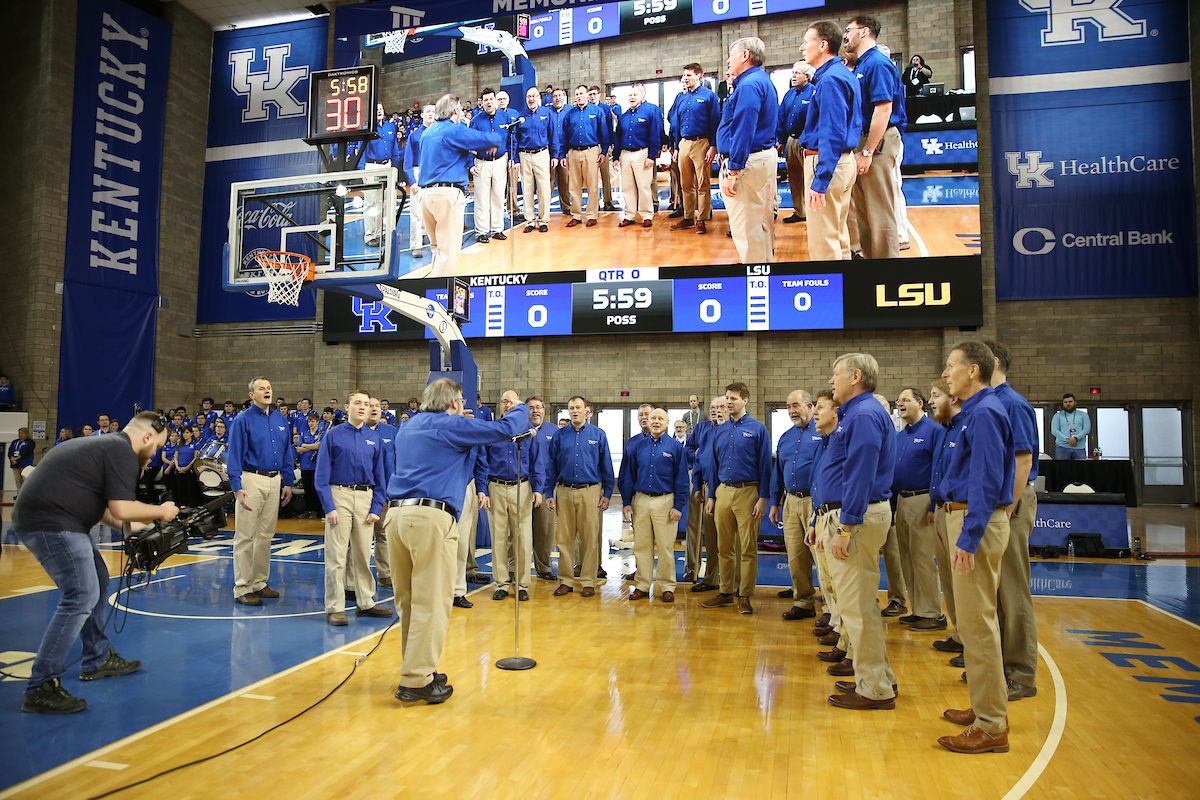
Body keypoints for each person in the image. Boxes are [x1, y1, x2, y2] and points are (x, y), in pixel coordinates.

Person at [13, 412, 177, 714]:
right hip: (52, 522)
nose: (154, 453)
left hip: (56, 519)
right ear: (145, 438)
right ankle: (40, 687)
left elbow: (106, 510)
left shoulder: (108, 447)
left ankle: (97, 658)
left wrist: (141, 529)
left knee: (99, 580)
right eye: (156, 446)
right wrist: (161, 511)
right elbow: (122, 507)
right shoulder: (121, 452)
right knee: (81, 595)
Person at [385, 379, 529, 705]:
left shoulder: (407, 427)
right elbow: (506, 429)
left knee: (408, 602)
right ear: (453, 404)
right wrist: (517, 405)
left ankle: (416, 668)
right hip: (430, 519)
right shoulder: (452, 426)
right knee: (433, 601)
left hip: (396, 518)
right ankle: (416, 680)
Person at [937, 341, 1016, 754]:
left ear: (973, 370)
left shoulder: (984, 412)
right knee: (973, 622)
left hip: (975, 522)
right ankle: (987, 706)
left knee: (977, 625)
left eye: (951, 367)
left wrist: (968, 537)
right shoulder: (974, 411)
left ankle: (991, 725)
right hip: (967, 518)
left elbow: (985, 479)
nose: (945, 373)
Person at [817, 353, 897, 711]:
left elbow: (861, 474)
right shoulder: (857, 414)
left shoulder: (863, 415)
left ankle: (875, 689)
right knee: (860, 606)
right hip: (854, 517)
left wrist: (846, 526)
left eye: (836, 375)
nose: (831, 381)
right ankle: (877, 678)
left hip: (856, 520)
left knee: (858, 609)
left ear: (857, 376)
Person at [983, 340, 1040, 703]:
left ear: (994, 362)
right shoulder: (988, 403)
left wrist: (1008, 508)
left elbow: (1022, 461)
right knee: (996, 590)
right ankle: (1000, 667)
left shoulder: (1013, 404)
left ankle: (1021, 673)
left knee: (1014, 590)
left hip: (1011, 504)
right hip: (994, 505)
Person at [315, 391, 390, 627]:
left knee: (361, 555)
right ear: (347, 407)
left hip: (366, 498)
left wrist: (377, 506)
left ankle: (366, 602)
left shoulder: (374, 438)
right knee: (336, 556)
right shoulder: (333, 435)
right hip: (340, 495)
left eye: (366, 404)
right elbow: (321, 476)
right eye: (357, 403)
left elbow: (381, 476)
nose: (362, 407)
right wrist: (329, 506)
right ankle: (335, 607)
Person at [417, 94, 506, 278]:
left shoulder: (427, 132)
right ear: (456, 111)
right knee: (449, 252)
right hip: (447, 193)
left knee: (437, 248)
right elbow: (490, 139)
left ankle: (431, 287)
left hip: (425, 195)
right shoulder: (453, 130)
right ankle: (439, 295)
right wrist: (489, 142)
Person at [702, 382, 771, 615]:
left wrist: (763, 498)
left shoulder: (758, 429)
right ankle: (725, 591)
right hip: (723, 491)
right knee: (724, 547)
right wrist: (711, 495)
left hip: (748, 492)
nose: (728, 403)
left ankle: (744, 595)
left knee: (748, 548)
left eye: (733, 398)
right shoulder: (718, 431)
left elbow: (765, 467)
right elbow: (713, 466)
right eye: (726, 399)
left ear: (745, 401)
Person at [226, 376, 294, 606]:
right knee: (245, 536)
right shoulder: (242, 420)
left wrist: (288, 481)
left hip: (275, 480)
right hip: (251, 479)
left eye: (269, 387)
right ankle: (242, 587)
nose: (267, 391)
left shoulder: (280, 419)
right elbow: (234, 454)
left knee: (266, 535)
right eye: (261, 388)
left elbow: (287, 451)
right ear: (251, 395)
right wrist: (237, 486)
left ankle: (259, 582)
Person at [801, 21, 862, 261]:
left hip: (827, 163)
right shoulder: (841, 74)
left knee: (824, 243)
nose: (803, 47)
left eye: (807, 42)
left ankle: (831, 295)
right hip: (842, 162)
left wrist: (821, 179)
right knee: (838, 237)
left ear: (823, 45)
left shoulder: (830, 80)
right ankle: (847, 293)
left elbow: (832, 132)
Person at [844, 16, 904, 260]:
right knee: (865, 213)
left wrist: (868, 150)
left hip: (876, 140)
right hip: (863, 140)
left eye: (849, 30)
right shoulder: (861, 64)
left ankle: (887, 271)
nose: (845, 35)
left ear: (864, 32)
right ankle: (871, 265)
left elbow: (883, 108)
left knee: (880, 212)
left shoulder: (877, 63)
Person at [545, 395, 614, 598]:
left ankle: (588, 581)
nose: (574, 410)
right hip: (564, 491)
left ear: (587, 411)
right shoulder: (559, 436)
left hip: (590, 491)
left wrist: (608, 492)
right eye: (571, 408)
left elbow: (607, 466)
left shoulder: (598, 435)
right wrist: (550, 493)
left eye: (578, 407)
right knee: (565, 539)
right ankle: (565, 581)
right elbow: (551, 466)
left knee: (590, 538)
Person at [716, 38, 778, 264]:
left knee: (746, 230)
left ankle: (755, 280)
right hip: (760, 157)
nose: (729, 61)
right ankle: (764, 271)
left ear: (745, 56)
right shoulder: (761, 80)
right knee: (757, 224)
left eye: (731, 55)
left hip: (748, 162)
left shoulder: (749, 85)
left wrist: (733, 171)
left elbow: (744, 129)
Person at [620, 408, 688, 602]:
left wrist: (679, 506)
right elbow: (629, 476)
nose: (656, 422)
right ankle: (642, 584)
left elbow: (682, 478)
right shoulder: (637, 446)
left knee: (666, 546)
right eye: (653, 418)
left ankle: (667, 586)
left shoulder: (675, 447)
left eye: (660, 419)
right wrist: (626, 502)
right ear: (647, 422)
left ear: (667, 423)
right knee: (641, 546)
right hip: (640, 500)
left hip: (665, 501)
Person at [890, 387, 944, 629]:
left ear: (921, 403)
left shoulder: (935, 431)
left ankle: (932, 613)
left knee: (923, 559)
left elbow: (941, 470)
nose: (900, 404)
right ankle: (918, 608)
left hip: (923, 501)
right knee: (907, 559)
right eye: (898, 401)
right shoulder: (899, 436)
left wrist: (934, 503)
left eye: (906, 400)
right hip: (901, 501)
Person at [484, 391, 545, 601]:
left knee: (523, 537)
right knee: (498, 537)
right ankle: (501, 583)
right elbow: (483, 462)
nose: (508, 405)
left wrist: (538, 489)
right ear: (500, 405)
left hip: (522, 487)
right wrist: (483, 490)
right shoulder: (493, 431)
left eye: (512, 402)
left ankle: (522, 585)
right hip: (496, 486)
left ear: (518, 405)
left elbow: (537, 462)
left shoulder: (528, 431)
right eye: (504, 402)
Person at [769, 390, 822, 621]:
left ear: (810, 406)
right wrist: (774, 502)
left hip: (815, 501)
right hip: (790, 501)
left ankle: (831, 610)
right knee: (796, 556)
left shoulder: (823, 434)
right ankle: (803, 602)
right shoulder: (785, 437)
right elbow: (777, 473)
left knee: (821, 557)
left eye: (796, 406)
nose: (792, 411)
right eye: (788, 407)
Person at [927, 378, 965, 656]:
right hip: (942, 509)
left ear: (952, 398)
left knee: (966, 583)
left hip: (962, 511)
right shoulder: (943, 431)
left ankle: (973, 643)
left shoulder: (968, 427)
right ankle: (960, 633)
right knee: (949, 581)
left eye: (935, 395)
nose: (931, 401)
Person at [671, 64, 720, 234]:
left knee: (703, 183)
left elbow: (715, 122)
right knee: (685, 184)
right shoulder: (681, 98)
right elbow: (676, 123)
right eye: (684, 75)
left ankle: (702, 218)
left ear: (699, 75)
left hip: (702, 143)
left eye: (689, 75)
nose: (685, 78)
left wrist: (713, 145)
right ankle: (688, 217)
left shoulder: (709, 96)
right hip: (684, 143)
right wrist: (676, 146)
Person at [687, 396, 727, 591]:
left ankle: (733, 583)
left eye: (719, 407)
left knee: (728, 540)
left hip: (728, 489)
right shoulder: (703, 429)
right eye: (712, 407)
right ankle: (711, 578)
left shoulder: (732, 431)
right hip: (706, 488)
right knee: (709, 537)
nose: (715, 410)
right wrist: (697, 485)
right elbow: (696, 459)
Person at [613, 85, 666, 229]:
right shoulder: (624, 117)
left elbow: (655, 135)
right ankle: (629, 215)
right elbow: (617, 137)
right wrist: (616, 157)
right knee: (627, 187)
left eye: (635, 95)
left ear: (642, 97)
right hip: (625, 154)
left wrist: (651, 156)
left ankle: (647, 215)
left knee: (644, 186)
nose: (632, 97)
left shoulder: (649, 112)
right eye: (630, 95)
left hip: (642, 154)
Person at [559, 85, 611, 228]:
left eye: (581, 93)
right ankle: (576, 215)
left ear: (587, 95)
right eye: (577, 94)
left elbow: (604, 133)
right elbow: (563, 135)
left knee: (592, 184)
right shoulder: (570, 114)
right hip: (573, 152)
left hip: (591, 150)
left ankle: (592, 215)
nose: (579, 96)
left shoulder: (597, 112)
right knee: (574, 186)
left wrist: (604, 152)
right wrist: (563, 155)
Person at [469, 88, 512, 244]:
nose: (488, 102)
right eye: (485, 100)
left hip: (500, 161)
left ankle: (497, 229)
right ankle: (481, 231)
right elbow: (469, 142)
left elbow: (511, 140)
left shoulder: (504, 117)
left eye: (491, 99)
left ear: (495, 100)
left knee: (499, 197)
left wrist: (512, 158)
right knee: (482, 198)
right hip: (481, 163)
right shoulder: (476, 121)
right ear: (482, 102)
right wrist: (469, 164)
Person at [514, 87, 559, 234]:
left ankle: (544, 220)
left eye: (533, 96)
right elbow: (516, 139)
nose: (531, 99)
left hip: (542, 154)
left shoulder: (546, 113)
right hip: (525, 155)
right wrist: (516, 159)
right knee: (527, 189)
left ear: (539, 97)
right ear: (526, 99)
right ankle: (530, 221)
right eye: (528, 97)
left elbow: (553, 135)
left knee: (543, 188)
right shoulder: (521, 116)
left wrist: (555, 155)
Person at [778, 62, 816, 224]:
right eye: (793, 73)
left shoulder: (814, 93)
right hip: (791, 140)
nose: (793, 76)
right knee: (794, 177)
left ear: (807, 76)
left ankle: (813, 213)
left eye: (797, 73)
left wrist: (807, 140)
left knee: (809, 178)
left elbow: (814, 120)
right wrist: (781, 140)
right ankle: (800, 211)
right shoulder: (789, 94)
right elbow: (782, 117)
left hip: (805, 141)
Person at [367, 397, 397, 588]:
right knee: (358, 538)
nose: (375, 409)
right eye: (371, 406)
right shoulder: (357, 432)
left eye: (377, 406)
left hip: (385, 494)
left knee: (383, 535)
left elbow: (397, 463)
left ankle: (385, 574)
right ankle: (355, 578)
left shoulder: (391, 432)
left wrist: (390, 493)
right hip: (362, 491)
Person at [527, 396, 558, 580]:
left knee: (545, 531)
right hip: (522, 487)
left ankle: (544, 568)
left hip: (546, 489)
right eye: (531, 408)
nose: (535, 411)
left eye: (538, 407)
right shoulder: (519, 430)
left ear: (544, 410)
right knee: (518, 531)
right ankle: (515, 569)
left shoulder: (554, 431)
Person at [361, 103, 399, 248]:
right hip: (372, 166)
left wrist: (395, 167)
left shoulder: (390, 127)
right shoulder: (367, 129)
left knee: (387, 202)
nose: (379, 111)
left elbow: (394, 147)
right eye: (376, 109)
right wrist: (362, 170)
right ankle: (371, 234)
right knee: (371, 202)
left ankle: (384, 231)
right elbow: (361, 149)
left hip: (388, 165)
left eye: (381, 109)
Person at [588, 86, 619, 211]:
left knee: (605, 175)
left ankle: (607, 200)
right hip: (591, 146)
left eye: (594, 94)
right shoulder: (587, 109)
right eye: (590, 94)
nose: (592, 96)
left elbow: (610, 128)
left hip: (603, 145)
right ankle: (594, 202)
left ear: (599, 94)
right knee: (592, 177)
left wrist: (610, 145)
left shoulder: (606, 109)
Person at [549, 88, 572, 217]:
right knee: (549, 182)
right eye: (555, 96)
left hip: (565, 152)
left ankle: (566, 207)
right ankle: (545, 208)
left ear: (564, 97)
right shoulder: (547, 112)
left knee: (565, 181)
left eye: (559, 95)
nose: (557, 98)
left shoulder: (570, 111)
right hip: (551, 153)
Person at [297, 413, 322, 518]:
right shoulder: (304, 434)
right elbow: (298, 448)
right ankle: (308, 510)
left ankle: (317, 511)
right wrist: (312, 447)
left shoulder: (321, 434)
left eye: (312, 421)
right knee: (307, 490)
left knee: (315, 489)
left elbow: (318, 446)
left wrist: (305, 446)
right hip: (305, 466)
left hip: (316, 466)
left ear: (317, 422)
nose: (310, 423)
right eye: (309, 421)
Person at [1051, 394, 1090, 459]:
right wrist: (1068, 440)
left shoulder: (1083, 415)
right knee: (1062, 469)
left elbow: (1086, 429)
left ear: (1075, 402)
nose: (1068, 404)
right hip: (1062, 447)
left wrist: (1075, 439)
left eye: (1070, 402)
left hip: (1079, 447)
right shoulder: (1057, 416)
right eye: (1065, 402)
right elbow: (1054, 431)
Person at [8, 427, 35, 493]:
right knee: (17, 479)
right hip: (15, 463)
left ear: (26, 433)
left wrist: (17, 458)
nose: (20, 434)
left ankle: (25, 493)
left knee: (24, 479)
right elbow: (10, 451)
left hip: (25, 463)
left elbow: (27, 452)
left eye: (22, 433)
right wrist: (12, 459)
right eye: (19, 433)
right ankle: (18, 493)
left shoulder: (30, 442)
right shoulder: (15, 441)